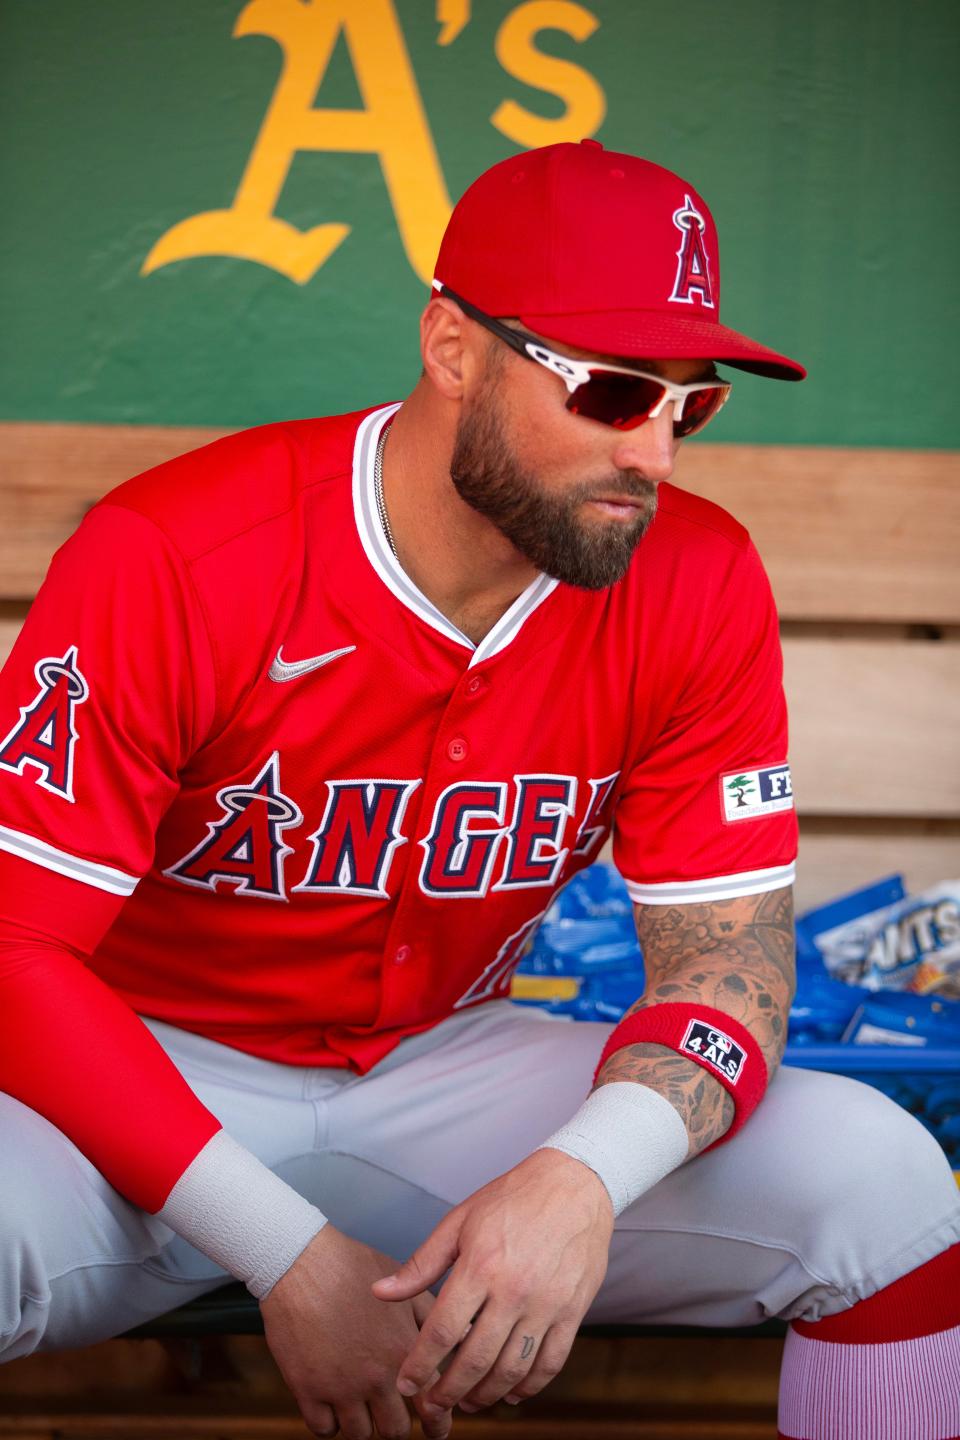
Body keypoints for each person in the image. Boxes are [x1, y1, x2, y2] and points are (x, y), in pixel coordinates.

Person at [0, 140, 957, 1440]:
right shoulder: (180, 554)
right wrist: (284, 1249)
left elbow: (730, 967)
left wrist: (579, 1176)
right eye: (616, 391)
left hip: (452, 1070)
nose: (659, 457)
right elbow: (17, 954)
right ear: (454, 346)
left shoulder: (696, 578)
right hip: (134, 1086)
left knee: (886, 1186)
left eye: (693, 404)